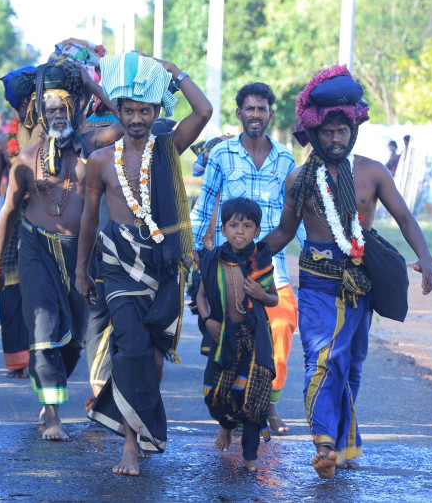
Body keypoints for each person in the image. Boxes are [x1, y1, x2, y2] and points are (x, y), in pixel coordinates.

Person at [262, 65, 432, 478]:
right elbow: (286, 231)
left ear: (352, 131)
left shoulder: (373, 171)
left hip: (362, 283)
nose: (336, 139)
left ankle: (340, 445)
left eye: (342, 131)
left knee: (351, 364)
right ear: (316, 135)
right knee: (323, 358)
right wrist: (245, 256)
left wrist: (426, 259)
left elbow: (407, 220)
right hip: (318, 282)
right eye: (328, 132)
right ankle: (323, 443)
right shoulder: (300, 178)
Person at [75, 51, 211, 476]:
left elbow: (204, 110)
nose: (136, 117)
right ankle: (130, 445)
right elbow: (88, 219)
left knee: (153, 358)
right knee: (129, 348)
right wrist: (81, 269)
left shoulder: (168, 148)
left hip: (164, 262)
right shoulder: (100, 161)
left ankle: (140, 428)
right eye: (129, 110)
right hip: (118, 263)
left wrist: (175, 73)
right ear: (118, 110)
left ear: (156, 112)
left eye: (144, 110)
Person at [0, 57, 122, 442]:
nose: (57, 115)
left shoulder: (90, 146)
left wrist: (93, 88)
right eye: (50, 110)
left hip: (83, 252)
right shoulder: (25, 161)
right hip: (36, 250)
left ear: (73, 111)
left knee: (77, 335)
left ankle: (50, 396)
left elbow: (125, 124)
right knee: (43, 328)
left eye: (63, 108)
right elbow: (7, 213)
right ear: (40, 117)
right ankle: (53, 416)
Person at [188, 82, 299, 435]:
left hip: (271, 265)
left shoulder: (285, 158)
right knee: (232, 341)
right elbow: (204, 205)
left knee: (280, 328)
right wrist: (192, 249)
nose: (255, 114)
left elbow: (293, 214)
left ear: (270, 113)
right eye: (249, 108)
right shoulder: (221, 155)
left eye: (262, 108)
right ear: (239, 114)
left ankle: (269, 404)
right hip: (227, 268)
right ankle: (232, 414)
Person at [197, 198, 278, 471]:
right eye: (233, 225)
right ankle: (225, 425)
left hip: (255, 337)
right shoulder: (213, 259)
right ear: (223, 229)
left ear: (256, 231)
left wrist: (260, 294)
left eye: (247, 226)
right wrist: (208, 320)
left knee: (252, 396)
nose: (239, 231)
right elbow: (201, 295)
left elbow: (274, 299)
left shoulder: (261, 259)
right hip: (224, 336)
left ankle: (250, 456)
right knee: (215, 393)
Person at [0, 66, 38, 378]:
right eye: (23, 102)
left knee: (40, 290)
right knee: (11, 292)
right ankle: (17, 361)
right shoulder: (3, 143)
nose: (29, 107)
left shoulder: (53, 137)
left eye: (34, 101)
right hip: (12, 223)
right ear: (16, 106)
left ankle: (43, 353)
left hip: (45, 219)